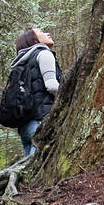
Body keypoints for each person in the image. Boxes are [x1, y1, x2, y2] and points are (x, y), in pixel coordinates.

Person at [11, 28, 60, 157]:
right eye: (42, 32)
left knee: (28, 170)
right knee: (38, 171)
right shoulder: (43, 53)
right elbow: (51, 85)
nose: (48, 33)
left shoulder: (21, 62)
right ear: (34, 40)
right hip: (41, 121)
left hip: (25, 126)